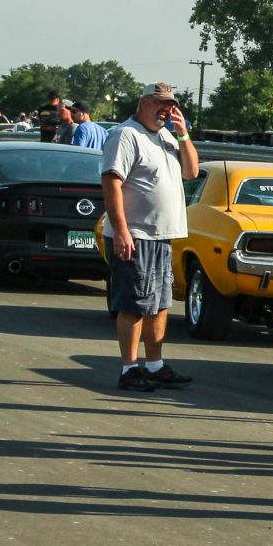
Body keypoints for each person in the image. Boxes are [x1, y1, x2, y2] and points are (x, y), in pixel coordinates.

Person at [101, 83, 201, 392]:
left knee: (159, 303)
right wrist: (120, 230)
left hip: (161, 236)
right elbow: (111, 182)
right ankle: (129, 368)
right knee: (133, 303)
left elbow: (192, 172)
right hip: (136, 234)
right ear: (144, 102)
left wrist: (183, 134)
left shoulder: (166, 135)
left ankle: (155, 365)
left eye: (171, 104)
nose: (167, 109)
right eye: (161, 103)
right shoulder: (126, 135)